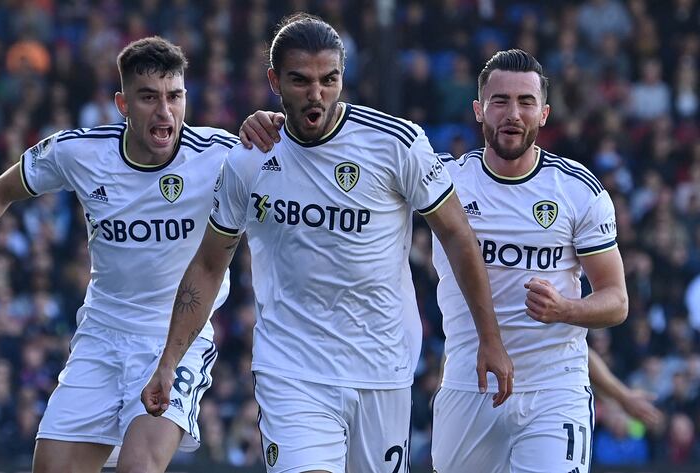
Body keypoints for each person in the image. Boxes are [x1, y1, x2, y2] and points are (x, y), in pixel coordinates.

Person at [142, 14, 513, 473]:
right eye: (300, 81)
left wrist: (489, 338)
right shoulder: (249, 158)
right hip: (292, 370)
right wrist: (169, 359)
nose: (316, 94)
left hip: (382, 367)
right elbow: (208, 264)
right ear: (274, 81)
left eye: (329, 79)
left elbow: (457, 235)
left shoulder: (395, 143)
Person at [0, 36, 236, 473]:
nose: (164, 112)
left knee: (138, 467)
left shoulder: (221, 155)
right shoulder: (79, 152)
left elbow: (293, 166)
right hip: (101, 336)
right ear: (122, 104)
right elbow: (1, 192)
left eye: (174, 96)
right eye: (148, 97)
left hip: (177, 340)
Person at [429, 49, 629, 473]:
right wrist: (279, 126)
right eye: (500, 101)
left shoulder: (578, 190)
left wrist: (566, 309)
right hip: (469, 385)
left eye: (526, 102)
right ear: (479, 110)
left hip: (554, 389)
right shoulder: (444, 184)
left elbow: (616, 301)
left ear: (544, 114)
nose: (512, 114)